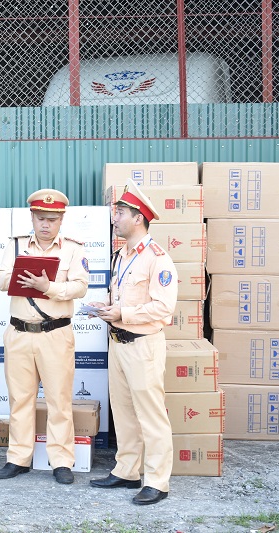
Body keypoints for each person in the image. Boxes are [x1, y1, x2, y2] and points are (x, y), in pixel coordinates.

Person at [89, 178, 178, 505]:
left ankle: (157, 481)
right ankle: (127, 471)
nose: (115, 218)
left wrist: (122, 313)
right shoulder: (120, 256)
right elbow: (121, 294)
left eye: (121, 212)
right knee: (124, 412)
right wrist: (106, 307)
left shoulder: (158, 258)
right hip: (118, 343)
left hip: (143, 345)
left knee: (151, 415)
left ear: (138, 217)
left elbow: (163, 308)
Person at [0, 189, 89, 485]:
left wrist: (48, 287)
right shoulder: (17, 245)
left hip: (55, 334)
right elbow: (0, 278)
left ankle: (60, 460)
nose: (46, 224)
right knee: (20, 398)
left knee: (59, 399)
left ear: (61, 220)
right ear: (32, 217)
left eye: (52, 219)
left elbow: (81, 286)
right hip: (19, 331)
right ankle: (18, 457)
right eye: (41, 218)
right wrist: (26, 279)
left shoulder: (73, 249)